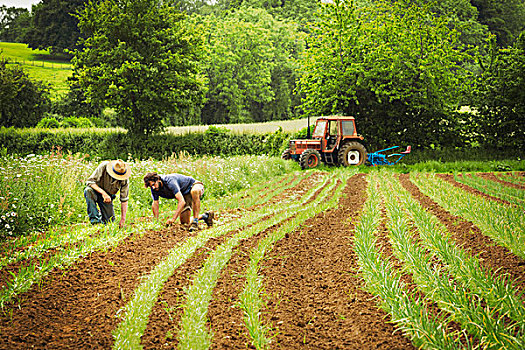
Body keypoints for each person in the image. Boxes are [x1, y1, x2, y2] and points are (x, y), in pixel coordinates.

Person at [143, 172, 214, 231]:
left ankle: (195, 222)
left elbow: (181, 201)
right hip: (184, 194)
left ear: (158, 180)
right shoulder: (154, 188)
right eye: (150, 186)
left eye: (153, 184)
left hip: (194, 185)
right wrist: (156, 221)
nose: (153, 187)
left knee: (194, 191)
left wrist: (173, 219)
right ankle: (206, 216)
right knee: (185, 223)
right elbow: (155, 203)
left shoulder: (170, 181)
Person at [84, 159, 130, 228]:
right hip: (96, 191)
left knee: (110, 221)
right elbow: (90, 182)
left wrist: (122, 220)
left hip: (108, 197)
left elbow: (124, 199)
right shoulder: (104, 166)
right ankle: (95, 222)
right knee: (88, 191)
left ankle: (101, 215)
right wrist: (104, 193)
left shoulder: (125, 179)